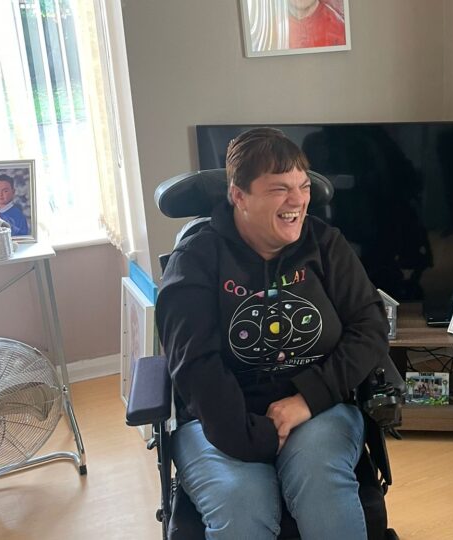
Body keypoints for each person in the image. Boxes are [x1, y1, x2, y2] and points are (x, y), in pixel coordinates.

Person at [156, 127, 389, 539]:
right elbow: (195, 366)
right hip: (219, 419)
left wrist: (307, 400)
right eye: (279, 189)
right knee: (243, 504)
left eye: (302, 186)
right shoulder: (195, 259)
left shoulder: (326, 245)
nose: (297, 200)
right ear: (238, 195)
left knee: (320, 484)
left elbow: (369, 328)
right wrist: (258, 440)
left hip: (317, 411)